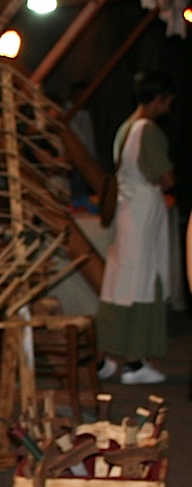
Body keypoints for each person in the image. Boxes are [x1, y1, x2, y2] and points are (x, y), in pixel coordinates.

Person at [96, 70, 175, 385]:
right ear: (158, 99)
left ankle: (105, 358)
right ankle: (133, 361)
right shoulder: (148, 130)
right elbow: (165, 176)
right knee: (139, 286)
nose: (169, 106)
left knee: (118, 287)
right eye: (167, 100)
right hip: (142, 216)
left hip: (127, 212)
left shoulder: (125, 128)